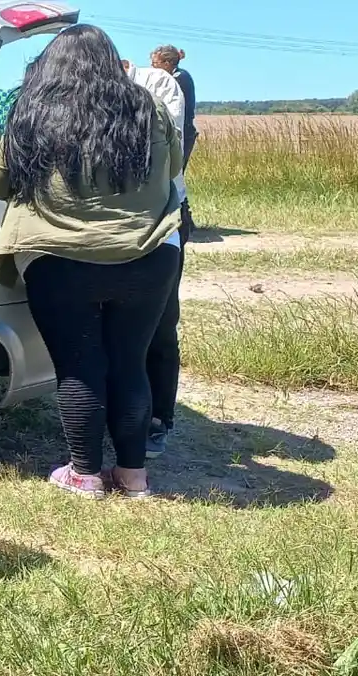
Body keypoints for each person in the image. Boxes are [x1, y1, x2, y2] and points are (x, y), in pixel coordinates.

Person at [0, 24, 184, 499]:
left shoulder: (33, 110)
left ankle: (85, 474)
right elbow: (174, 167)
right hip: (147, 254)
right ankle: (133, 477)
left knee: (78, 367)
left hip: (60, 260)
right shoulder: (147, 106)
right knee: (130, 363)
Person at [144, 45, 198, 458]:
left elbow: (175, 156)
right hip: (150, 221)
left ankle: (159, 417)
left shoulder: (167, 87)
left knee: (160, 325)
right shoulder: (162, 84)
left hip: (162, 220)